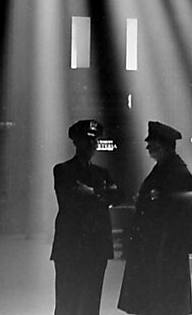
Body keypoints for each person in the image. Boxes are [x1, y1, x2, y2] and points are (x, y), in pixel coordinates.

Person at [118, 121, 192, 315]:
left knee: (161, 302)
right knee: (159, 301)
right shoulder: (168, 169)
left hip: (163, 248)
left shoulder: (174, 173)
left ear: (161, 146)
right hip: (158, 247)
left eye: (151, 144)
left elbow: (180, 212)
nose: (148, 148)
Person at [51, 119, 119, 315]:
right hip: (72, 245)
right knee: (67, 301)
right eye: (87, 141)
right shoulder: (62, 170)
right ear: (76, 142)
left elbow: (118, 196)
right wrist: (101, 195)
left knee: (92, 300)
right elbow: (69, 201)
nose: (92, 145)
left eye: (94, 141)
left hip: (96, 246)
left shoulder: (101, 172)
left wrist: (91, 193)